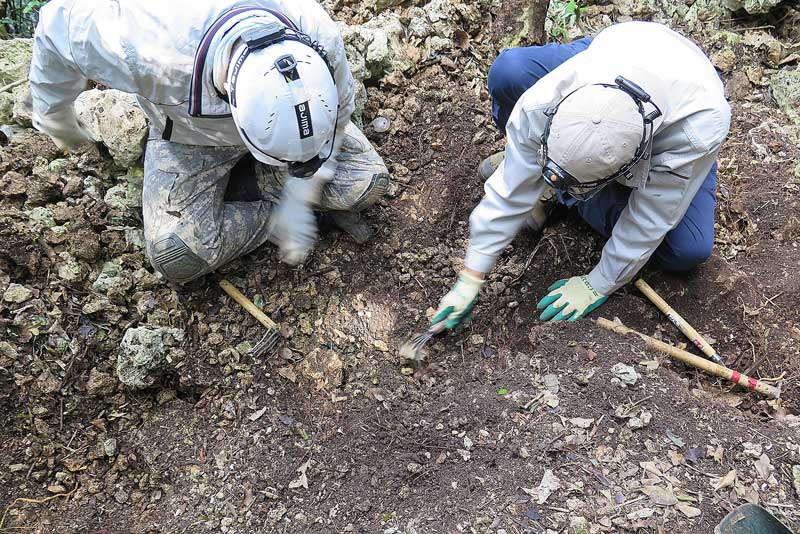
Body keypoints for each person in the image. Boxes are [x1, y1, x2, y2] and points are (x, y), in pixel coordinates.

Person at [29, 0, 390, 283]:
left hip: (305, 134)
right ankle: (264, 199)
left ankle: (265, 185)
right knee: (177, 254)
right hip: (190, 139)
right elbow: (56, 24)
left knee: (368, 181)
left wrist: (302, 191)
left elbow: (340, 112)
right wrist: (55, 117)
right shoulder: (148, 52)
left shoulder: (316, 31)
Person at [432, 21, 731, 327]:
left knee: (687, 249)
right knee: (510, 72)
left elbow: (652, 216)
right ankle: (555, 186)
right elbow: (510, 186)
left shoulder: (697, 130)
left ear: (626, 169)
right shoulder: (549, 96)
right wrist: (472, 273)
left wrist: (599, 282)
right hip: (624, 47)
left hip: (685, 102)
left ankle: (561, 194)